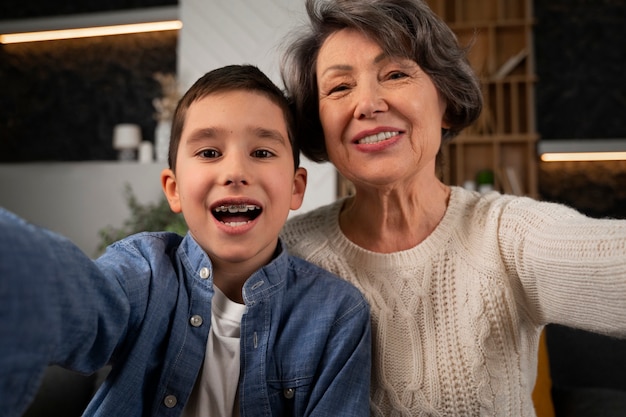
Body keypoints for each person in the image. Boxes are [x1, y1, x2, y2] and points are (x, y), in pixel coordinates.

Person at [278, 0, 626, 416]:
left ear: (445, 101)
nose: (367, 104)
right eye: (339, 88)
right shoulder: (287, 254)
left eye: (395, 74)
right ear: (318, 122)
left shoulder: (506, 235)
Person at [0, 64, 371, 417]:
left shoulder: (337, 313)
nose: (236, 172)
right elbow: (73, 301)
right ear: (173, 189)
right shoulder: (142, 271)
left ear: (295, 187)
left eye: (261, 152)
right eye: (209, 152)